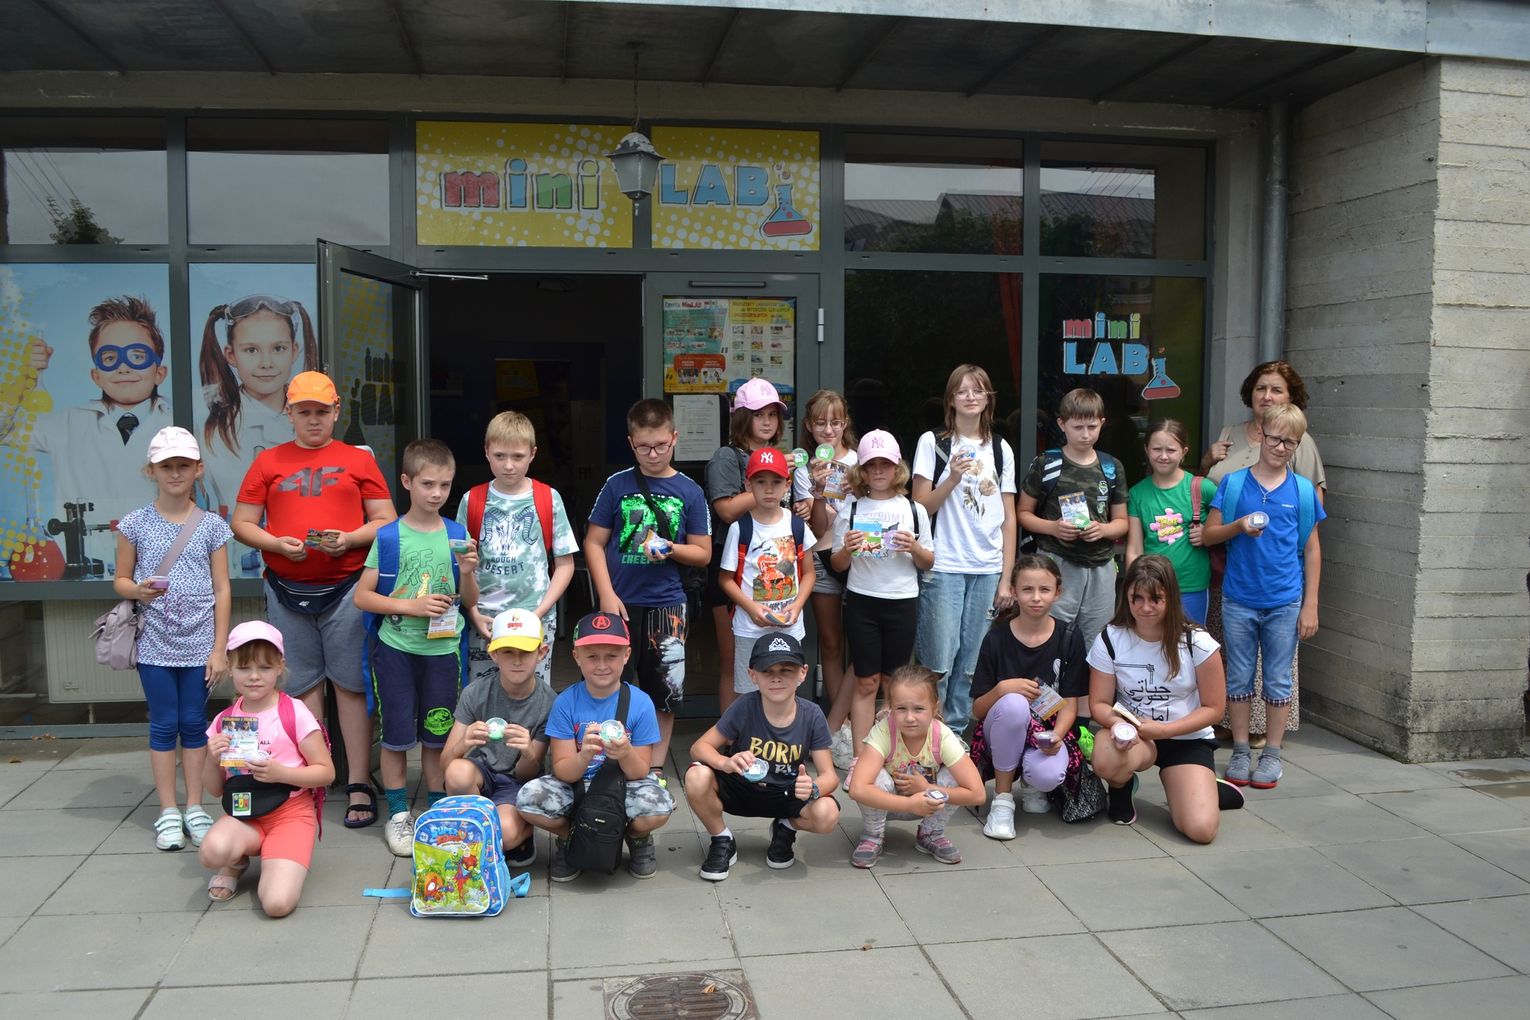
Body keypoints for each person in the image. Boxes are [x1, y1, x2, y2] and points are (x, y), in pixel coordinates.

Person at [231, 371, 396, 830]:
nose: (313, 419)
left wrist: (349, 539)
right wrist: (275, 544)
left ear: (336, 410)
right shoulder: (268, 462)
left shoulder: (358, 460)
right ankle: (308, 781)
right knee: (301, 687)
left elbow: (386, 519)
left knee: (351, 687)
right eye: (303, 411)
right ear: (289, 413)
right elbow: (241, 522)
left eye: (321, 411)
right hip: (286, 587)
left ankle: (359, 780)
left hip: (347, 589)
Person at [353, 438, 480, 856]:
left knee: (437, 734)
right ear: (406, 481)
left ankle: (437, 807)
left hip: (443, 652)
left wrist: (467, 572)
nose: (436, 493)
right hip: (395, 650)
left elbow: (470, 600)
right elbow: (362, 597)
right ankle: (397, 814)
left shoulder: (457, 534)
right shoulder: (389, 537)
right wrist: (411, 606)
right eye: (428, 484)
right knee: (395, 735)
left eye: (444, 485)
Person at [113, 426, 233, 851]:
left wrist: (220, 648)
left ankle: (195, 806)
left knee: (195, 723)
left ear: (198, 469)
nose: (176, 473)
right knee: (165, 723)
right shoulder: (134, 523)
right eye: (167, 466)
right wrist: (137, 590)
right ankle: (168, 810)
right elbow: (120, 580)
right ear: (152, 471)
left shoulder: (212, 525)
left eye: (183, 465)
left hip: (200, 643)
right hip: (154, 641)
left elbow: (222, 588)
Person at [584, 399, 712, 783]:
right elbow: (593, 542)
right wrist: (606, 594)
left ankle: (654, 768)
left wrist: (671, 549)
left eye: (661, 446)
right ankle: (610, 762)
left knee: (664, 691)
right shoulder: (617, 485)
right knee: (610, 683)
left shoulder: (689, 491)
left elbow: (703, 553)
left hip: (668, 604)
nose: (653, 455)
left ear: (675, 438)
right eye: (643, 447)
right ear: (631, 443)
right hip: (620, 602)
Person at [1201, 360, 1326, 740]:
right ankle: (1233, 733)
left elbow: (1310, 533)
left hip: (1280, 582)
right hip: (1232, 574)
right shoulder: (1232, 442)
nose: (1267, 396)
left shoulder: (1301, 457)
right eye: (1261, 388)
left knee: (1274, 671)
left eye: (1276, 390)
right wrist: (1207, 460)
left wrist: (1310, 602)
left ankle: (1267, 741)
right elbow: (1209, 495)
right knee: (1236, 665)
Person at [3, 296, 174, 573]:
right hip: (85, 577)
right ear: (96, 375)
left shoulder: (181, 425)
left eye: (137, 356)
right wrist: (24, 379)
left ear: (159, 372)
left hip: (162, 575)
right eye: (110, 358)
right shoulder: (67, 424)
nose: (123, 367)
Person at [1087, 555, 1244, 843]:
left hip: (1185, 738)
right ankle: (1120, 787)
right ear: (1126, 597)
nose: (1145, 607)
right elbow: (1098, 704)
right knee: (1105, 755)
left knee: (1201, 831)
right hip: (1135, 736)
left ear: (1170, 597)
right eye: (1137, 598)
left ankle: (1207, 788)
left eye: (1155, 599)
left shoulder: (1197, 641)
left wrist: (1165, 730)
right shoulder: (1110, 638)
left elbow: (1214, 709)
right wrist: (1120, 725)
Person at [515, 612, 676, 882]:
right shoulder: (566, 702)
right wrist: (585, 755)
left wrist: (625, 752)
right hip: (578, 784)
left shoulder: (640, 703)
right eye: (592, 656)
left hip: (622, 785)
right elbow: (563, 771)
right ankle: (572, 837)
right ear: (577, 657)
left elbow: (639, 772)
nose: (602, 665)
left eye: (611, 656)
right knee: (527, 800)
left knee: (660, 806)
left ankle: (636, 838)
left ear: (626, 655)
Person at [201, 621, 335, 916]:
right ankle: (236, 861)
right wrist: (211, 758)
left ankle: (276, 854)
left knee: (276, 904)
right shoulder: (224, 720)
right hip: (244, 812)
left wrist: (280, 773)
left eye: (264, 667)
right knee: (211, 852)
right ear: (230, 668)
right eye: (244, 667)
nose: (253, 676)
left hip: (290, 814)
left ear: (279, 667)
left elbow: (326, 772)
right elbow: (214, 789)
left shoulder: (294, 712)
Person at [911, 364, 1018, 735]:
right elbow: (919, 507)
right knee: (937, 663)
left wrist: (1006, 577)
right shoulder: (933, 443)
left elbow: (1009, 517)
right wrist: (952, 478)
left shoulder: (1000, 448)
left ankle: (954, 737)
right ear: (951, 399)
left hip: (988, 569)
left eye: (978, 390)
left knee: (971, 666)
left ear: (988, 398)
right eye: (962, 390)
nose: (971, 397)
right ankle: (928, 735)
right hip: (943, 565)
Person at [685, 633, 841, 881]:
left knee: (827, 813)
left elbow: (830, 776)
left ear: (803, 673)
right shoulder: (744, 706)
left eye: (786, 670)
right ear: (752, 675)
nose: (776, 677)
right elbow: (699, 747)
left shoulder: (812, 715)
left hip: (786, 793)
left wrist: (812, 788)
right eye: (767, 671)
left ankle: (785, 827)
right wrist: (726, 763)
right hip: (741, 787)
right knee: (696, 776)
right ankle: (722, 838)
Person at [826, 431, 934, 780]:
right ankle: (861, 760)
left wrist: (913, 547)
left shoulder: (914, 510)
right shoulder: (852, 508)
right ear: (861, 470)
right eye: (870, 465)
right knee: (865, 681)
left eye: (884, 464)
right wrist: (847, 549)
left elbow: (929, 561)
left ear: (897, 467)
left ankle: (890, 756)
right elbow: (837, 564)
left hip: (902, 601)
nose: (877, 471)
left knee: (894, 684)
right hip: (862, 600)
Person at [197, 294, 319, 573]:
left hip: (311, 560)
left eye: (278, 348)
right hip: (240, 563)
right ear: (231, 355)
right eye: (251, 350)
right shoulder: (214, 433)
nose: (266, 363)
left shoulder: (316, 421)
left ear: (294, 350)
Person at [970, 555, 1090, 837]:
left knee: (1048, 775)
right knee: (1014, 705)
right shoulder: (996, 638)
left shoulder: (1069, 636)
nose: (1036, 598)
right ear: (1013, 592)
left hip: (1045, 733)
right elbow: (978, 710)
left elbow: (1070, 704)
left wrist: (1057, 735)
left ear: (1057, 592)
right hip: (1000, 731)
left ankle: (1032, 784)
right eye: (1027, 589)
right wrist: (1002, 689)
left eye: (1044, 589)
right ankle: (1002, 801)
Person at [457, 411, 577, 688]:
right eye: (499, 456)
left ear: (533, 454)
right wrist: (472, 612)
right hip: (485, 620)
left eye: (518, 456)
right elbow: (462, 565)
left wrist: (539, 612)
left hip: (536, 617)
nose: (508, 465)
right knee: (483, 694)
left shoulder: (548, 498)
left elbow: (565, 564)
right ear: (486, 452)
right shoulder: (472, 500)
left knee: (533, 694)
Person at [440, 608, 554, 867]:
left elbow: (526, 775)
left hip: (517, 785)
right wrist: (464, 742)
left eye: (525, 652)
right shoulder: (475, 692)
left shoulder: (549, 703)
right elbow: (445, 764)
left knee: (502, 833)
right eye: (508, 652)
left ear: (541, 653)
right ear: (493, 654)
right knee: (457, 772)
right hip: (480, 776)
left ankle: (523, 832)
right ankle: (471, 832)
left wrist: (528, 752)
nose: (517, 661)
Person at [1017, 388, 1129, 649]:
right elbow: (1022, 513)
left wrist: (1103, 530)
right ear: (1062, 424)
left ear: (1102, 423)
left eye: (1092, 427)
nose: (1085, 434)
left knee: (1098, 641)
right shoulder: (1046, 463)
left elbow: (1122, 522)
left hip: (1101, 565)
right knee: (1052, 636)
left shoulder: (1111, 466)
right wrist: (1052, 527)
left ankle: (1091, 679)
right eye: (1078, 427)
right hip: (1056, 562)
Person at [846, 665, 985, 868]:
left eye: (919, 709)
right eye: (901, 708)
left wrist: (927, 788)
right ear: (891, 708)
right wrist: (909, 805)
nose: (910, 718)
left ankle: (931, 833)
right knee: (872, 776)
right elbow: (857, 789)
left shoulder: (942, 736)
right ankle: (872, 835)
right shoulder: (884, 732)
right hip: (884, 801)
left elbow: (977, 794)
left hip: (929, 803)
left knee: (955, 775)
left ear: (934, 708)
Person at [706, 378, 786, 714]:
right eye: (758, 414)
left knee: (775, 661)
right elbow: (725, 510)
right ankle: (730, 735)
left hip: (774, 569)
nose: (767, 421)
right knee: (736, 663)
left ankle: (768, 729)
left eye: (773, 414)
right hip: (733, 571)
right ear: (741, 417)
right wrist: (768, 483)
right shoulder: (727, 456)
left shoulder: (781, 457)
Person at [719, 447, 815, 697]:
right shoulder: (740, 529)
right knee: (749, 693)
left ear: (787, 485)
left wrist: (797, 606)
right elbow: (726, 580)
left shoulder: (796, 525)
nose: (769, 489)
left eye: (776, 482)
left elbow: (809, 574)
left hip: (789, 626)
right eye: (761, 482)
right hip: (750, 628)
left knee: (786, 691)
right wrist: (751, 608)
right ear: (748, 485)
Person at [795, 389, 858, 766]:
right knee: (831, 644)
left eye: (835, 422)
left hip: (861, 560)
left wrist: (857, 490)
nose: (829, 430)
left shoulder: (860, 460)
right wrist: (818, 492)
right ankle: (842, 728)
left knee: (863, 646)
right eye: (821, 423)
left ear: (845, 423)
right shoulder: (804, 468)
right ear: (809, 426)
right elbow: (818, 529)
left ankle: (844, 720)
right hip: (821, 557)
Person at [1126, 419, 1218, 624]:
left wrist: (1207, 533)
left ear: (1184, 451)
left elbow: (1228, 526)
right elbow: (1134, 548)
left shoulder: (1202, 487)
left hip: (1192, 586)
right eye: (1156, 449)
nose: (1163, 456)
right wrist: (1135, 586)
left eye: (1171, 450)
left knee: (1191, 640)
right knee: (1151, 640)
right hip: (1151, 587)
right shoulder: (1137, 493)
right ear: (1146, 449)